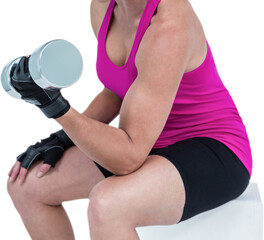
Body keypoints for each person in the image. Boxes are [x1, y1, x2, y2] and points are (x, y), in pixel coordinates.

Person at [7, 0, 252, 239]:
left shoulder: (169, 25)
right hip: (146, 139)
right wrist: (63, 138)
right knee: (26, 185)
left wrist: (56, 107)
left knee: (108, 205)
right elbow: (115, 91)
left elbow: (128, 158)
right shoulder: (103, 8)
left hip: (214, 149)